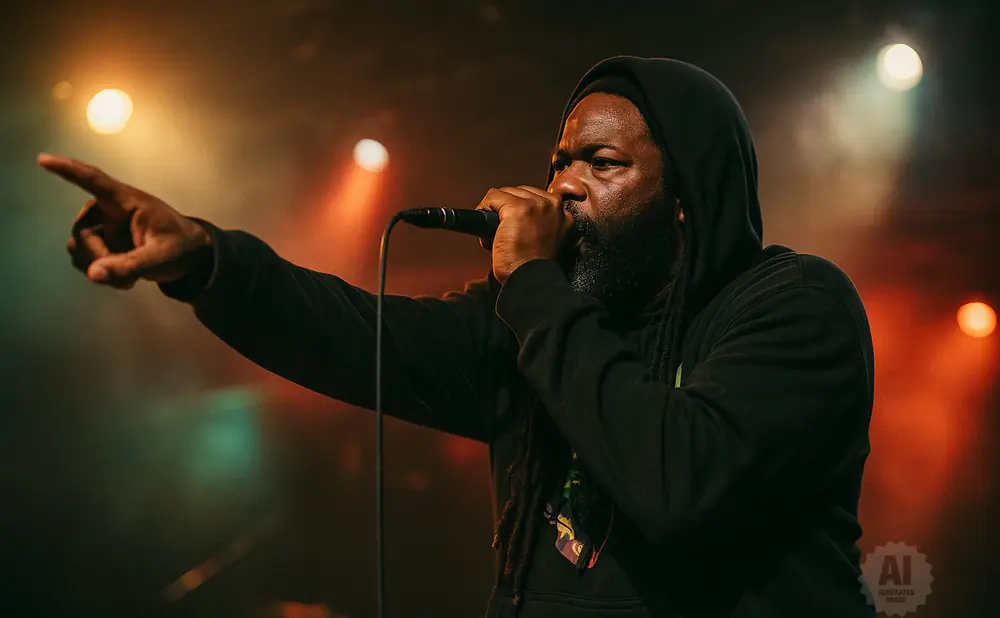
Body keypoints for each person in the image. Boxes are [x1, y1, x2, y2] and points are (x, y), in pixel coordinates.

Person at [40, 56, 875, 618]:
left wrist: (536, 289)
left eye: (603, 163)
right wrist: (206, 259)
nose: (563, 186)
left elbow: (683, 484)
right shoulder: (534, 324)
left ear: (687, 198)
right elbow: (346, 331)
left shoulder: (793, 306)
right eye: (557, 162)